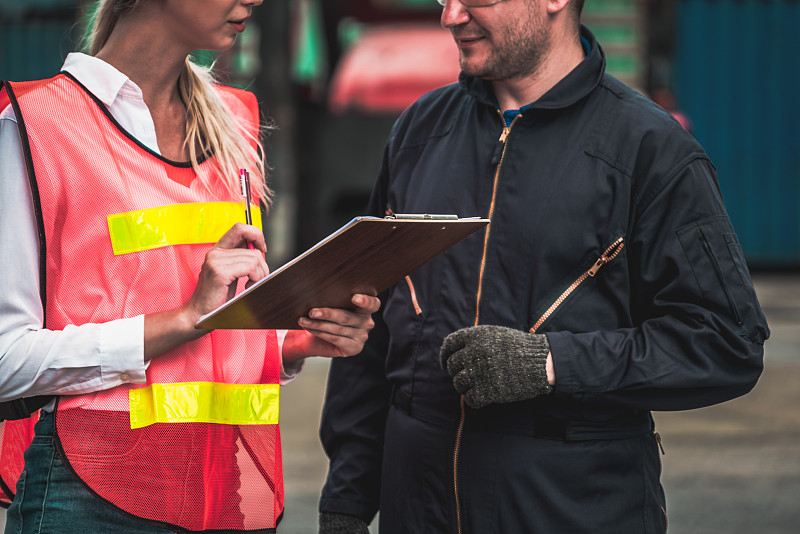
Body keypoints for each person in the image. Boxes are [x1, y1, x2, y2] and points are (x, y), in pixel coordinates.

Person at [317, 1, 769, 533]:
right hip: (417, 511)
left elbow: (726, 341)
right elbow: (365, 320)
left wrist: (553, 364)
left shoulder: (650, 150)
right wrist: (346, 499)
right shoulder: (421, 130)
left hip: (568, 509)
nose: (451, 16)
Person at [0, 1, 379, 532]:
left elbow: (215, 338)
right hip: (89, 495)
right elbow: (6, 361)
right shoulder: (38, 123)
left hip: (223, 491)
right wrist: (183, 319)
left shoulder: (235, 123)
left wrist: (294, 341)